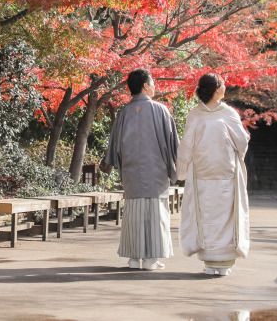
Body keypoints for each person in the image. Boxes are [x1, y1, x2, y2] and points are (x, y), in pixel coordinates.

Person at [102, 68, 179, 270]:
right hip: (156, 172)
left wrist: (120, 163)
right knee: (155, 214)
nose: (154, 86)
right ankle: (152, 259)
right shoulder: (160, 110)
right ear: (145, 86)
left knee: (134, 214)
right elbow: (173, 144)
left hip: (131, 172)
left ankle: (134, 258)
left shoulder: (124, 112)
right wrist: (176, 166)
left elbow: (115, 145)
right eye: (152, 82)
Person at [177, 73, 250, 276]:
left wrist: (181, 170)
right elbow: (241, 143)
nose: (225, 87)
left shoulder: (196, 114)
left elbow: (186, 145)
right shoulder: (228, 113)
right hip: (224, 170)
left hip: (204, 171)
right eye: (223, 84)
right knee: (223, 216)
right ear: (217, 89)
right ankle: (222, 261)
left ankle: (211, 261)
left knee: (206, 214)